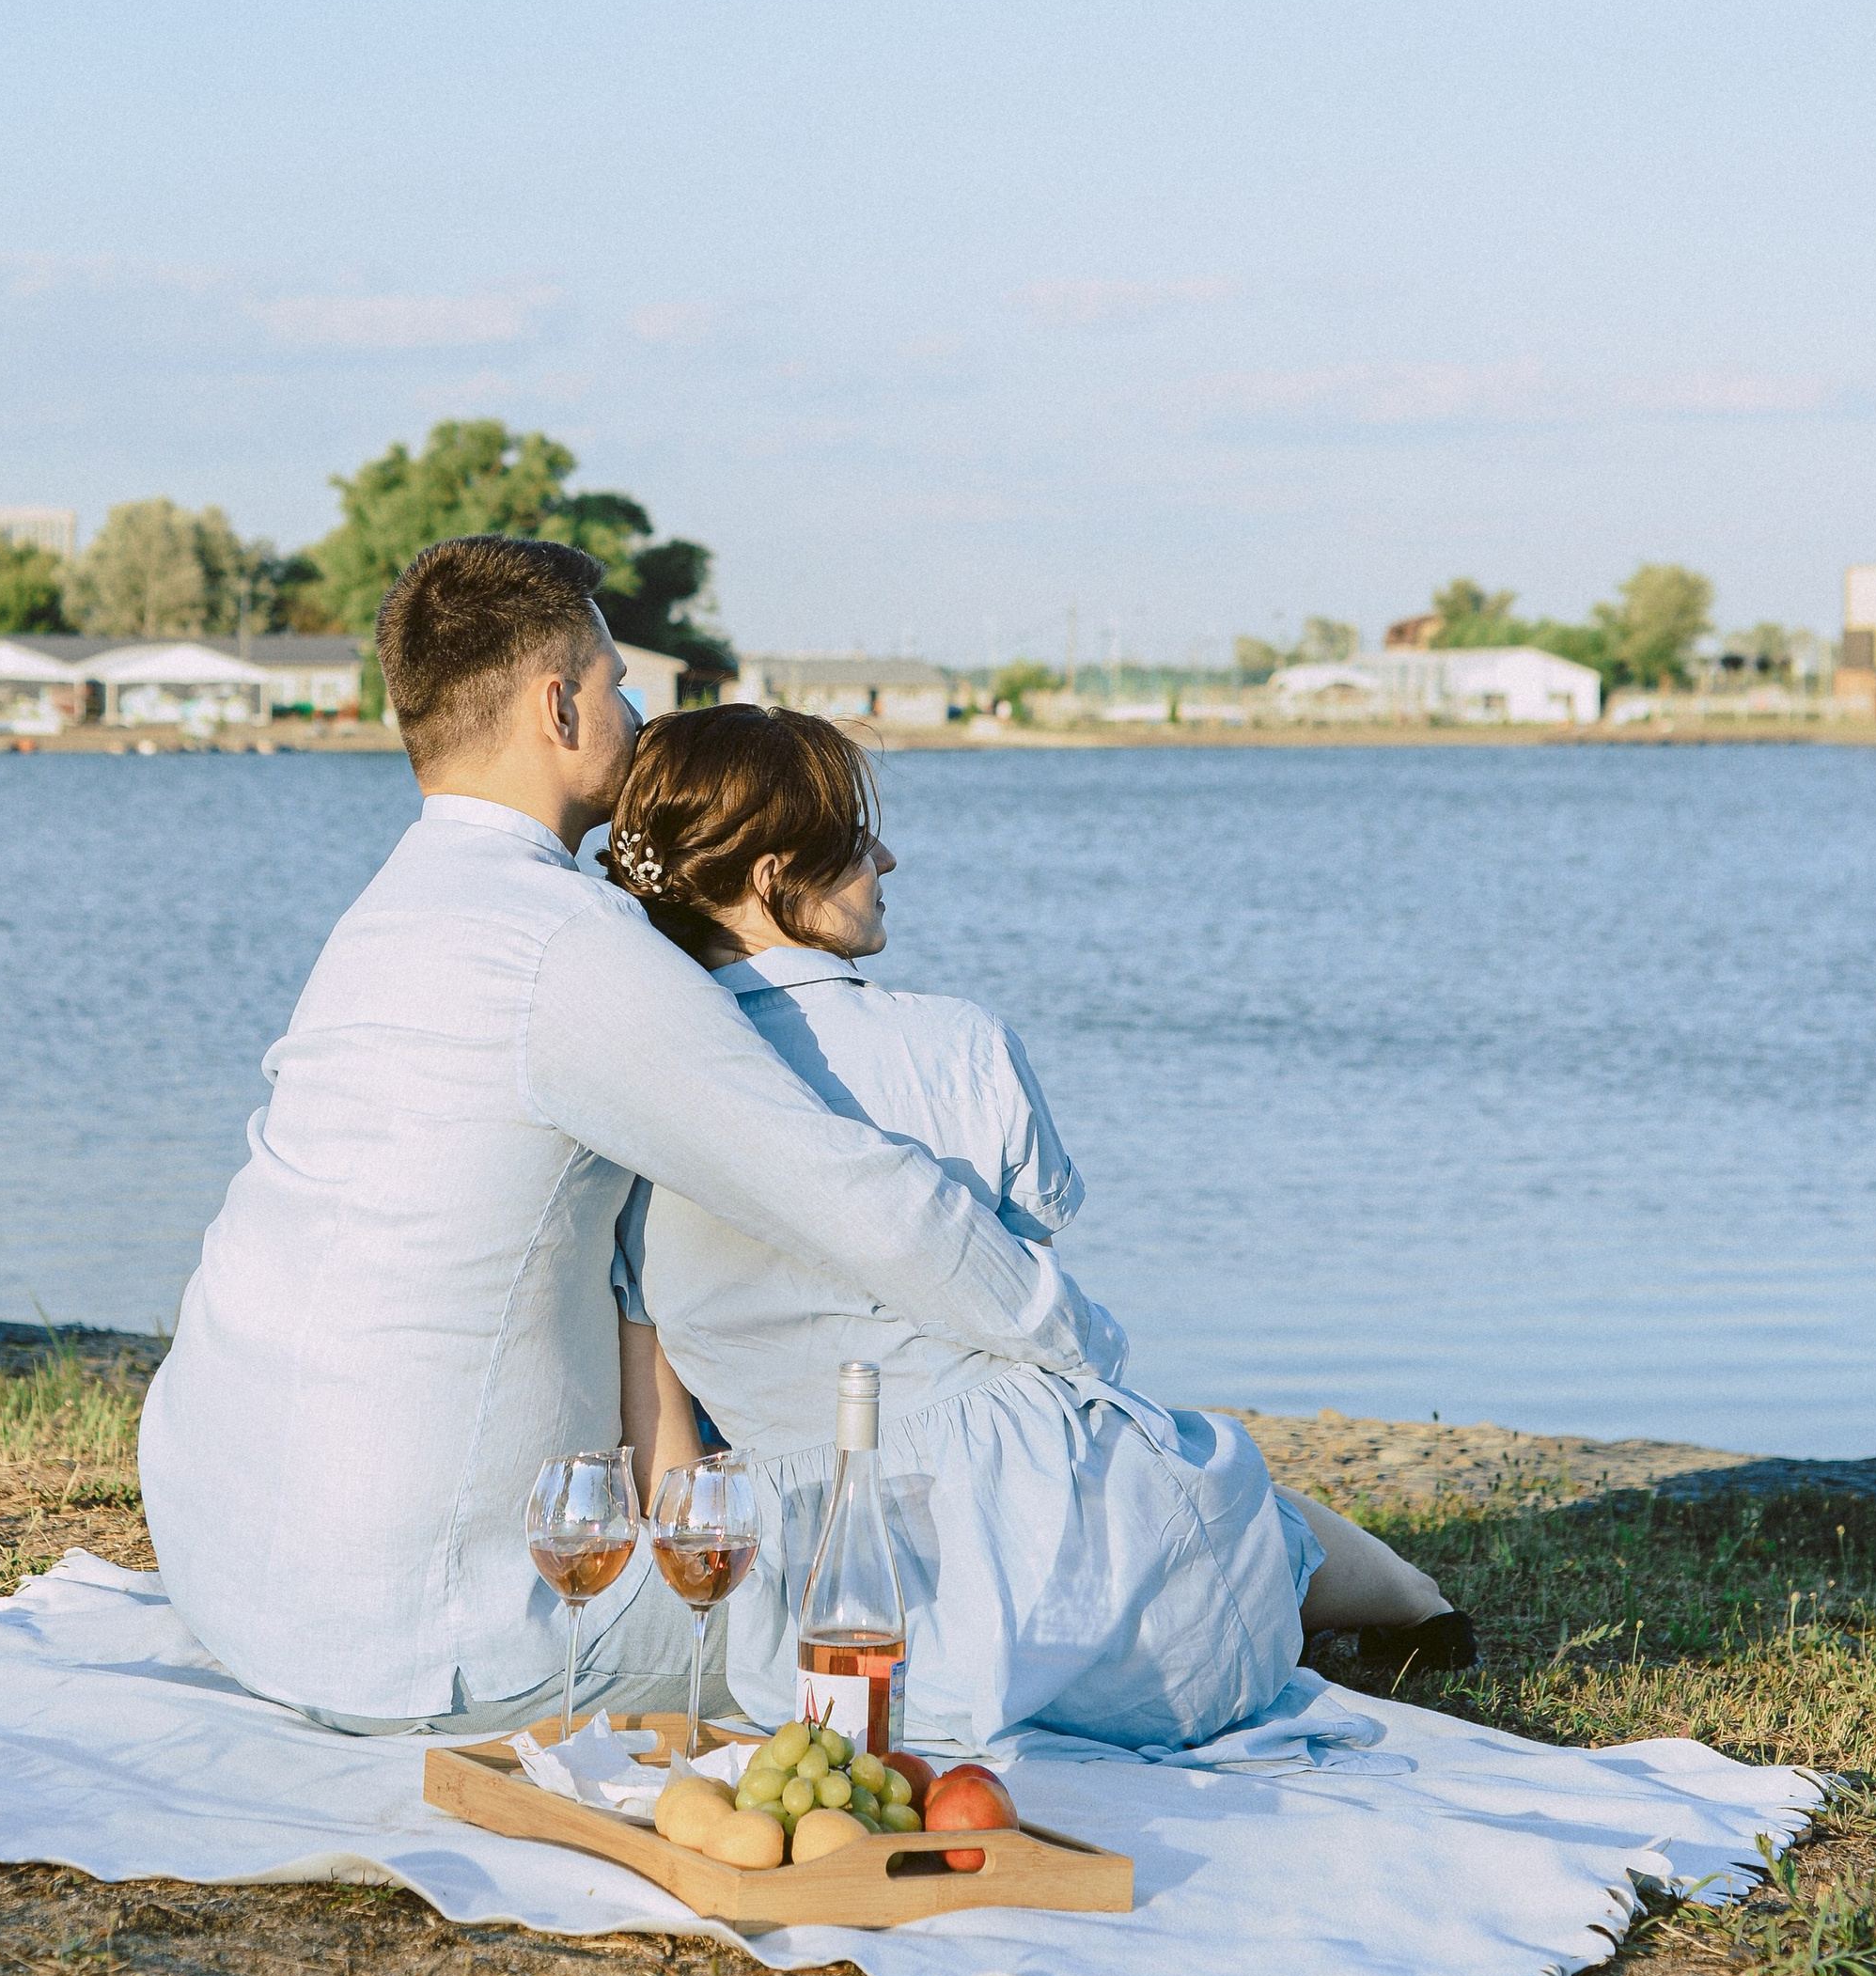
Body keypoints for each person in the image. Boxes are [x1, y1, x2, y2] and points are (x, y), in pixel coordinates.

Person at [137, 535, 1123, 1733]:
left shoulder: (385, 913)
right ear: (559, 703)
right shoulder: (568, 944)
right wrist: (1074, 1343)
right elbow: (845, 1190)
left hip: (223, 1548)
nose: (639, 710)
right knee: (976, 1588)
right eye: (618, 682)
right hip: (429, 1629)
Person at [604, 702, 1471, 1750]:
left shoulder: (628, 1111)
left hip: (815, 1620)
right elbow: (1036, 1349)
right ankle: (1412, 1601)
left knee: (1177, 1482)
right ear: (769, 877)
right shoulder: (953, 1044)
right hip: (1086, 1595)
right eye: (854, 840)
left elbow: (665, 1450)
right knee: (1199, 1482)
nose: (887, 857)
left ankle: (1404, 1599)